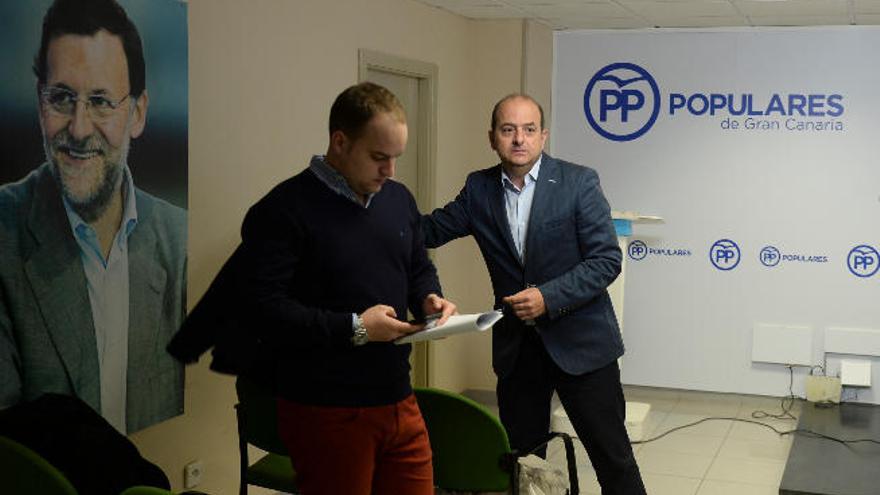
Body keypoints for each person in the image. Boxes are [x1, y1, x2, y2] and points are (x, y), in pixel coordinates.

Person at [236, 82, 456, 495]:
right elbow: (262, 312)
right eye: (378, 157)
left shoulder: (397, 199)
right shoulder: (282, 211)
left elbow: (416, 265)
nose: (389, 171)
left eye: (395, 158)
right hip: (325, 408)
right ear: (340, 142)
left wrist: (428, 297)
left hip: (398, 398)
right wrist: (355, 328)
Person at [422, 94, 646, 494]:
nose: (518, 139)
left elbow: (606, 260)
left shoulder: (579, 182)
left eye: (528, 130)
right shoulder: (479, 188)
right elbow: (431, 230)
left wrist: (549, 296)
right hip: (518, 350)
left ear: (543, 136)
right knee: (523, 463)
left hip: (583, 346)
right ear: (492, 138)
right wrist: (375, 208)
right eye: (508, 130)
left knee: (612, 458)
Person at [0, 0, 186, 434]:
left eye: (101, 101)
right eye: (62, 98)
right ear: (39, 103)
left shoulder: (179, 243)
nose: (79, 128)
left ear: (137, 114)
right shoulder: (5, 231)